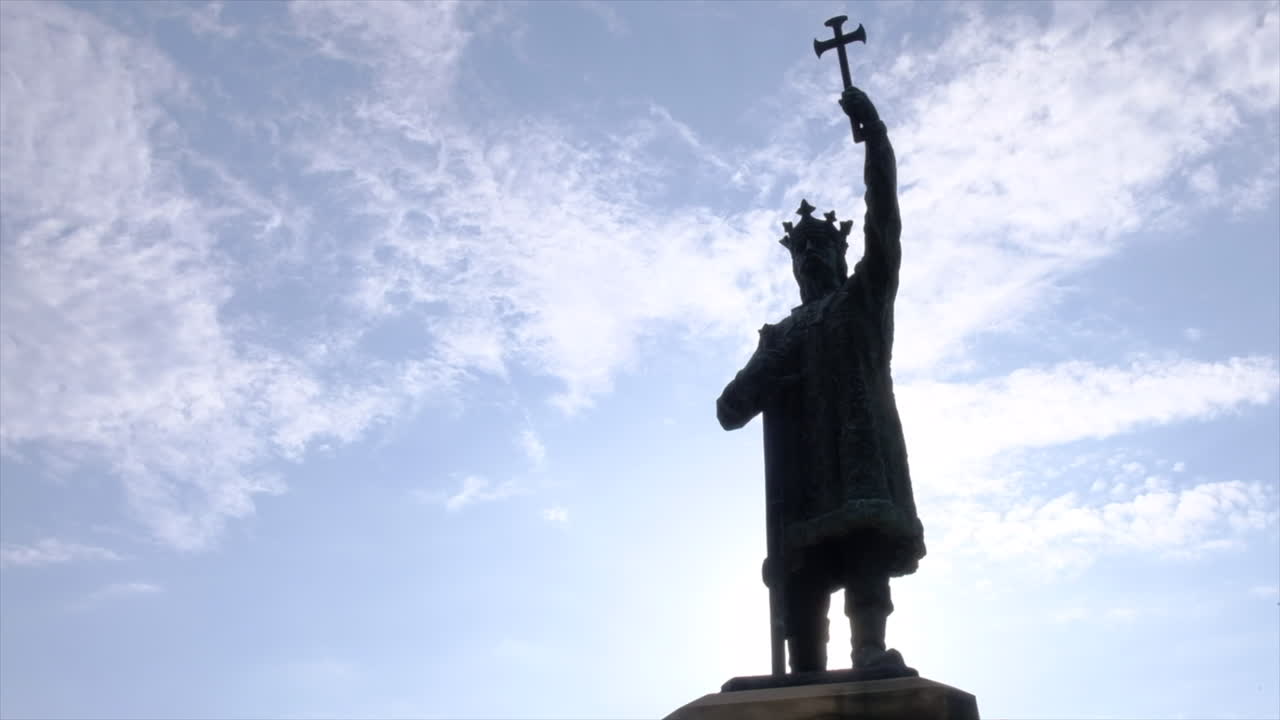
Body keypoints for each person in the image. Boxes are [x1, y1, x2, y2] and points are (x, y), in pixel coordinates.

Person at [717, 86, 925, 674]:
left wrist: (876, 141)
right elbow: (731, 408)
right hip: (803, 479)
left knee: (861, 541)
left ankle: (869, 652)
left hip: (856, 462)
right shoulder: (780, 333)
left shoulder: (862, 300)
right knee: (800, 570)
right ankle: (804, 673)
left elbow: (886, 225)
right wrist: (760, 374)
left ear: (838, 258)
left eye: (821, 252)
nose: (811, 262)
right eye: (801, 256)